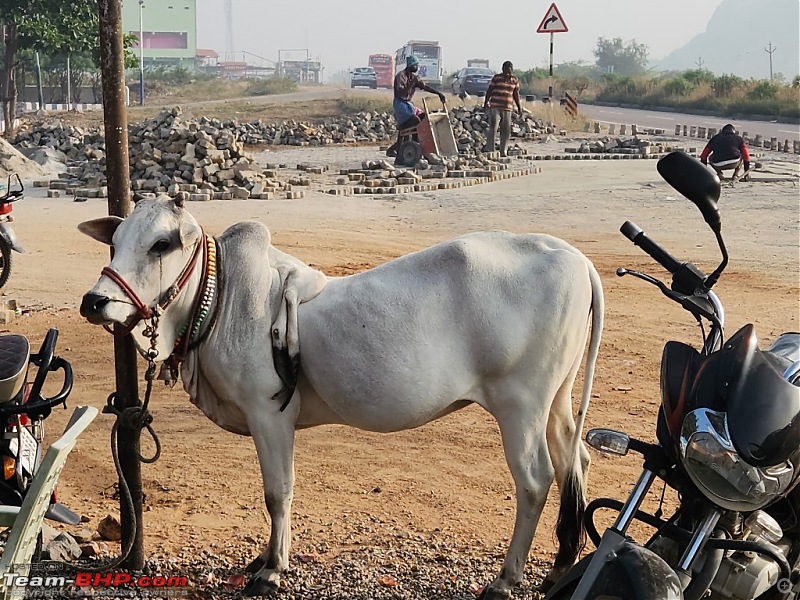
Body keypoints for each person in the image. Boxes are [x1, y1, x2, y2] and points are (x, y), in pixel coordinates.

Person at [386, 55, 446, 157]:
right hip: (400, 104)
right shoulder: (401, 76)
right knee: (416, 122)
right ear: (410, 65)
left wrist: (438, 93)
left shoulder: (413, 77)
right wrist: (411, 84)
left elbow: (425, 87)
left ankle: (410, 144)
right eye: (416, 65)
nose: (417, 67)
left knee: (423, 117)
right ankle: (415, 145)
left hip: (408, 104)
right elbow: (400, 93)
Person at [483, 61, 523, 157]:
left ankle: (503, 150)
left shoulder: (514, 80)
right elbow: (489, 90)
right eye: (506, 71)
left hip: (507, 108)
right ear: (502, 69)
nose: (507, 74)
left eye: (509, 71)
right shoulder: (497, 78)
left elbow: (516, 94)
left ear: (512, 70)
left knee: (506, 130)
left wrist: (519, 107)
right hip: (495, 106)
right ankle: (490, 149)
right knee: (493, 127)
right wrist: (486, 103)